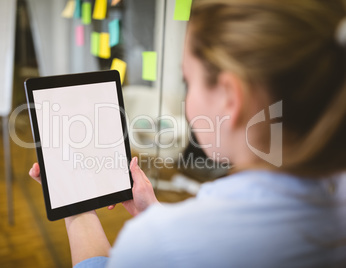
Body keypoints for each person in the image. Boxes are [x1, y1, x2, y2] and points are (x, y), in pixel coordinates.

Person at [29, 0, 346, 267]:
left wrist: (76, 209)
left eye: (187, 81)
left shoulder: (160, 245)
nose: (185, 99)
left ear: (229, 97)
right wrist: (152, 210)